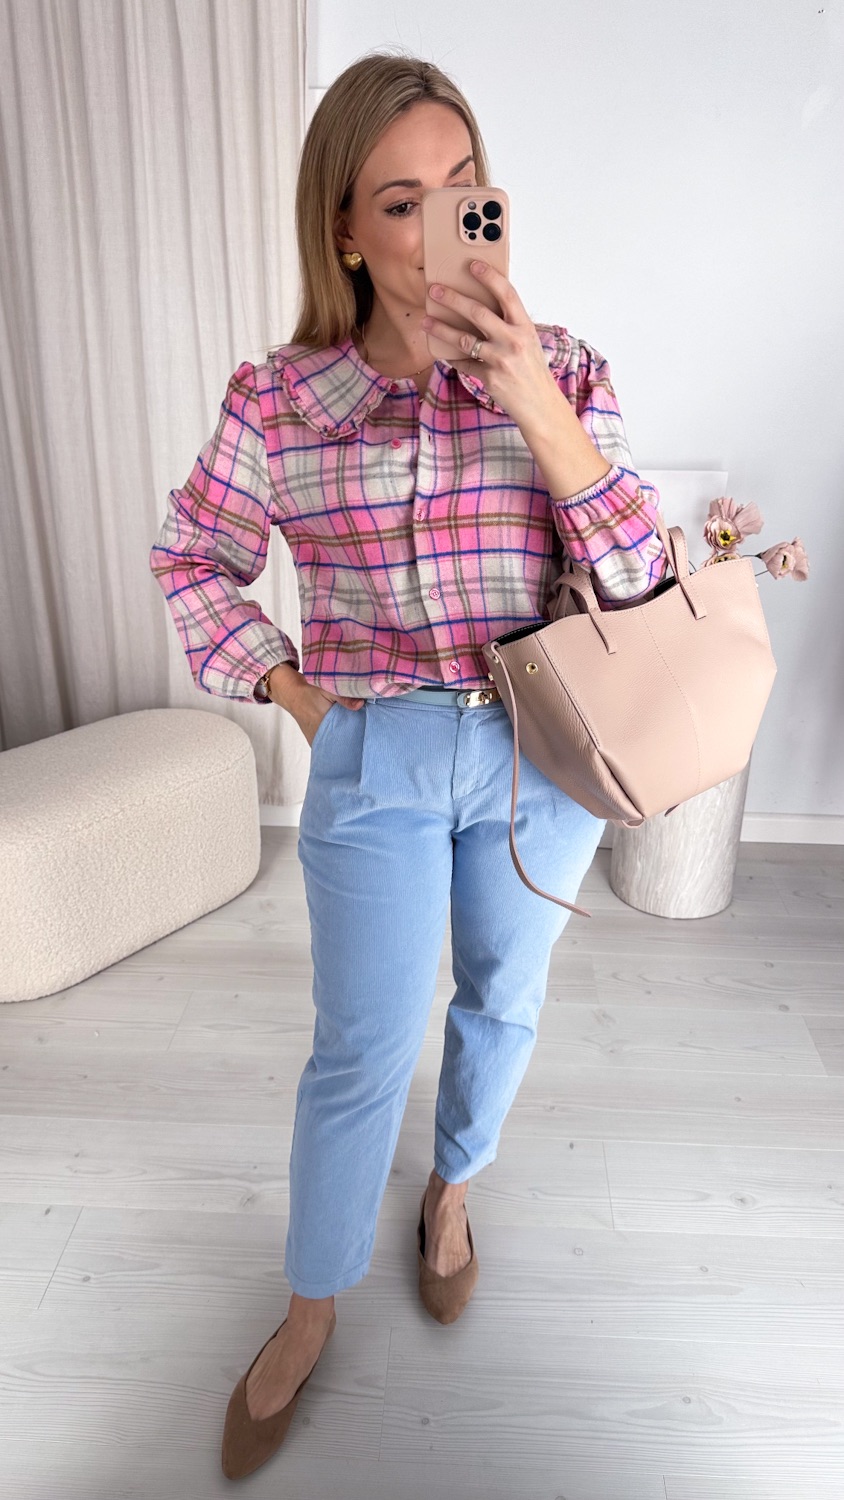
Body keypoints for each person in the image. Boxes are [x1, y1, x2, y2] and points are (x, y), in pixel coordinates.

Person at [149, 50, 669, 1481]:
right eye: (402, 201)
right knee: (360, 1045)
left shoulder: (565, 370)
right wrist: (299, 697)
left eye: (465, 188)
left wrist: (534, 402)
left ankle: (451, 1193)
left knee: (503, 996)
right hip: (371, 752)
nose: (446, 223)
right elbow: (191, 557)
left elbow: (643, 584)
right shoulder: (280, 401)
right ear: (345, 233)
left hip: (538, 755)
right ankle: (313, 1301)